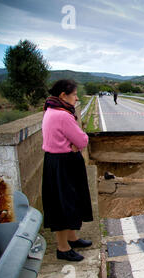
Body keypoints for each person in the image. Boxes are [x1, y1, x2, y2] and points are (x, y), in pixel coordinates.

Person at [42, 79, 93, 262]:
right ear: (63, 95)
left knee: (67, 202)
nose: (77, 97)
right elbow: (82, 141)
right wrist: (77, 141)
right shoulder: (63, 115)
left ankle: (72, 238)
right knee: (64, 205)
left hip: (55, 161)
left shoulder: (51, 109)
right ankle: (63, 248)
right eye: (74, 94)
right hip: (64, 163)